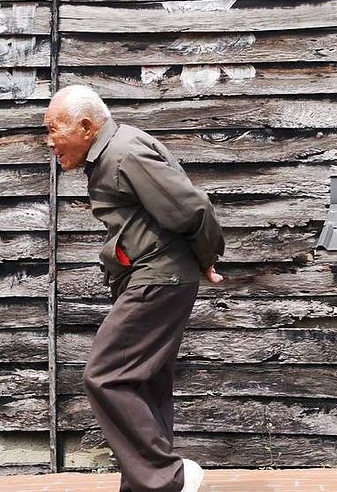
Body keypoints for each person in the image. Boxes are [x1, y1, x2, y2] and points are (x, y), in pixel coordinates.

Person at [45, 85, 225, 492]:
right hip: (151, 277)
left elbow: (191, 207)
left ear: (86, 127)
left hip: (158, 278)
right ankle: (148, 483)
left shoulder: (125, 153)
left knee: (105, 374)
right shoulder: (110, 153)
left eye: (54, 129)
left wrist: (207, 257)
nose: (50, 141)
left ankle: (168, 477)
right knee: (145, 380)